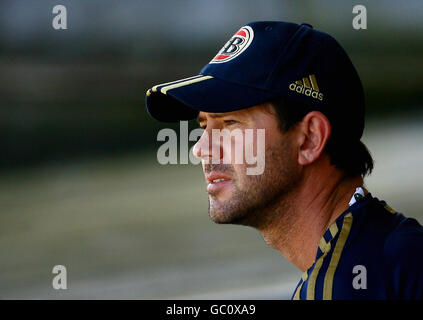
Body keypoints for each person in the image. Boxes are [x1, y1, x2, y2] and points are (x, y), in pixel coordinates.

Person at [145, 21, 423, 299]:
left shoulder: (341, 287)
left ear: (309, 138)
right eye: (204, 126)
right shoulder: (398, 251)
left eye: (230, 123)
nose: (200, 149)